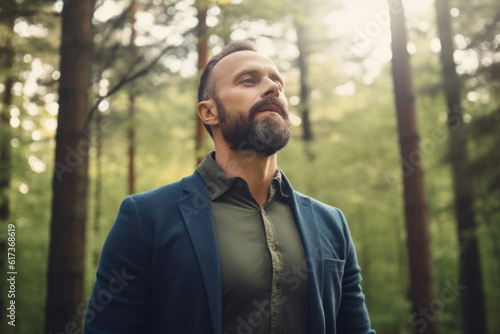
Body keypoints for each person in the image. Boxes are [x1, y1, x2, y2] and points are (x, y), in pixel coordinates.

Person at [84, 41, 375, 334]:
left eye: (278, 83)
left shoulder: (331, 223)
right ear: (209, 112)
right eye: (249, 80)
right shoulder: (146, 218)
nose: (272, 88)